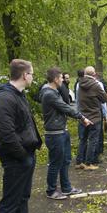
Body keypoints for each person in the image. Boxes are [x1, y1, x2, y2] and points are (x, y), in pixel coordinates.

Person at [0, 59, 50, 213]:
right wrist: (23, 156)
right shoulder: (5, 98)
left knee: (22, 198)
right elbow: (6, 135)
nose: (33, 77)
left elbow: (24, 125)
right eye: (32, 73)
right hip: (16, 159)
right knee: (10, 202)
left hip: (26, 155)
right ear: (25, 75)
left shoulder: (19, 95)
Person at [39, 67, 92, 200]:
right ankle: (51, 191)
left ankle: (66, 188)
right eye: (61, 77)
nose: (63, 80)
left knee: (66, 160)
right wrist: (82, 117)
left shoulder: (54, 91)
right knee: (55, 163)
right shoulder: (49, 94)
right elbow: (66, 108)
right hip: (55, 133)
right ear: (56, 79)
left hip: (62, 130)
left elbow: (65, 106)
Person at [76, 66, 107, 170]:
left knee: (83, 139)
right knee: (93, 140)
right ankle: (89, 163)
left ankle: (79, 162)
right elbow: (104, 99)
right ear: (94, 74)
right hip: (94, 117)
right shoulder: (96, 85)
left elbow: (77, 100)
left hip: (82, 116)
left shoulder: (79, 84)